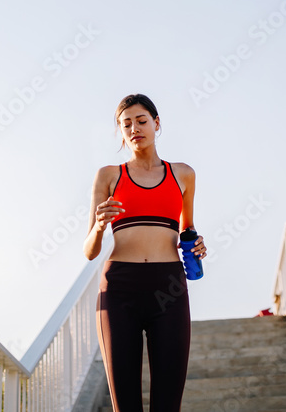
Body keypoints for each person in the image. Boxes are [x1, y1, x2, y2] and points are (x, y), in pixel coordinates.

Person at [83, 93, 206, 412]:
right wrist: (99, 226)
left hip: (169, 287)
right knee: (125, 405)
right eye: (126, 124)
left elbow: (187, 229)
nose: (134, 129)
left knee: (168, 403)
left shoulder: (183, 174)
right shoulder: (109, 175)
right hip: (119, 288)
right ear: (120, 131)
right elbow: (90, 251)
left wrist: (197, 245)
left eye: (141, 121)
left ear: (156, 123)